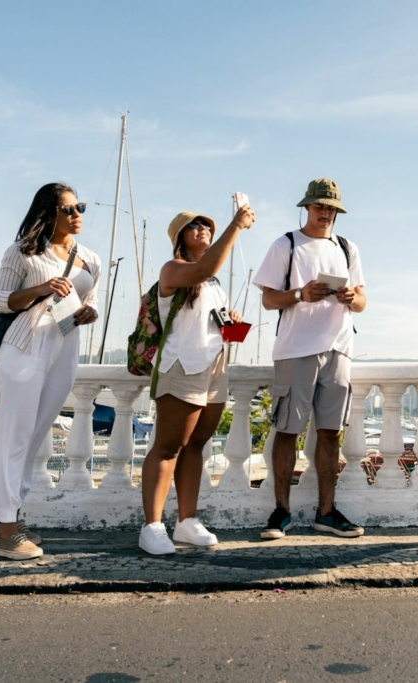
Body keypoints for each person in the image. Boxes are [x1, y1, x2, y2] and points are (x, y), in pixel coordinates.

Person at [0, 182, 101, 560]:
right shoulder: (22, 252)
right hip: (24, 347)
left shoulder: (91, 258)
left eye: (79, 207)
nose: (76, 214)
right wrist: (39, 288)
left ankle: (13, 517)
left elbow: (90, 302)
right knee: (14, 437)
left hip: (65, 349)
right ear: (48, 213)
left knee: (34, 439)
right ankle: (6, 533)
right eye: (68, 208)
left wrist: (90, 313)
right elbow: (1, 300)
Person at [252, 178, 367, 539]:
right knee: (287, 431)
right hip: (295, 349)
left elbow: (363, 302)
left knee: (331, 434)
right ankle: (281, 511)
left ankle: (326, 513)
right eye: (320, 206)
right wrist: (301, 294)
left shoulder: (347, 248)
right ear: (306, 207)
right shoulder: (285, 244)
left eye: (331, 207)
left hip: (339, 348)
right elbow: (268, 300)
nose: (325, 212)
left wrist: (351, 297)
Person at [137, 205, 255, 555]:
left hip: (213, 369)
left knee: (196, 447)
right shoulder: (172, 270)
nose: (203, 228)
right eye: (195, 226)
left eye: (207, 224)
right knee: (168, 446)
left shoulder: (214, 283)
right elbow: (204, 267)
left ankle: (186, 521)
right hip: (181, 366)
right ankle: (152, 526)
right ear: (180, 238)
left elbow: (206, 302)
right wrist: (236, 224)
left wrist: (229, 320)